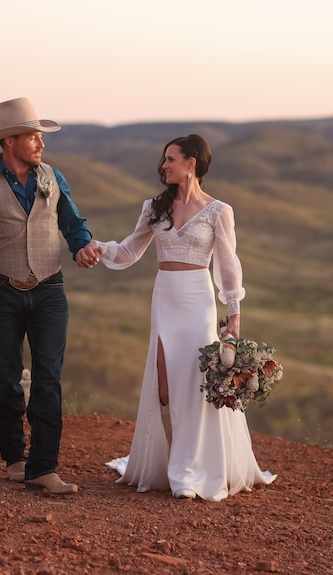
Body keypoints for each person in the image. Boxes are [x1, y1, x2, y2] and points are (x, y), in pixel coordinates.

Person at [89, 134, 276, 501]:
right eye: (164, 159)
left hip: (198, 301)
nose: (164, 165)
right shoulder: (153, 208)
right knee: (164, 386)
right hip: (165, 298)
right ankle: (174, 461)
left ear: (192, 163)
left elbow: (228, 266)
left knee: (196, 387)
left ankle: (191, 470)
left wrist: (234, 315)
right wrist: (100, 248)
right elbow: (129, 251)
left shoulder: (219, 211)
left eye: (171, 159)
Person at [0, 97, 100, 495]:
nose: (40, 143)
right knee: (8, 379)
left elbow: (74, 223)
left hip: (51, 291)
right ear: (9, 141)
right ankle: (15, 458)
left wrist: (82, 246)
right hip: (4, 293)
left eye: (40, 136)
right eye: (33, 136)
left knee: (48, 379)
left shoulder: (53, 176)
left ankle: (43, 467)